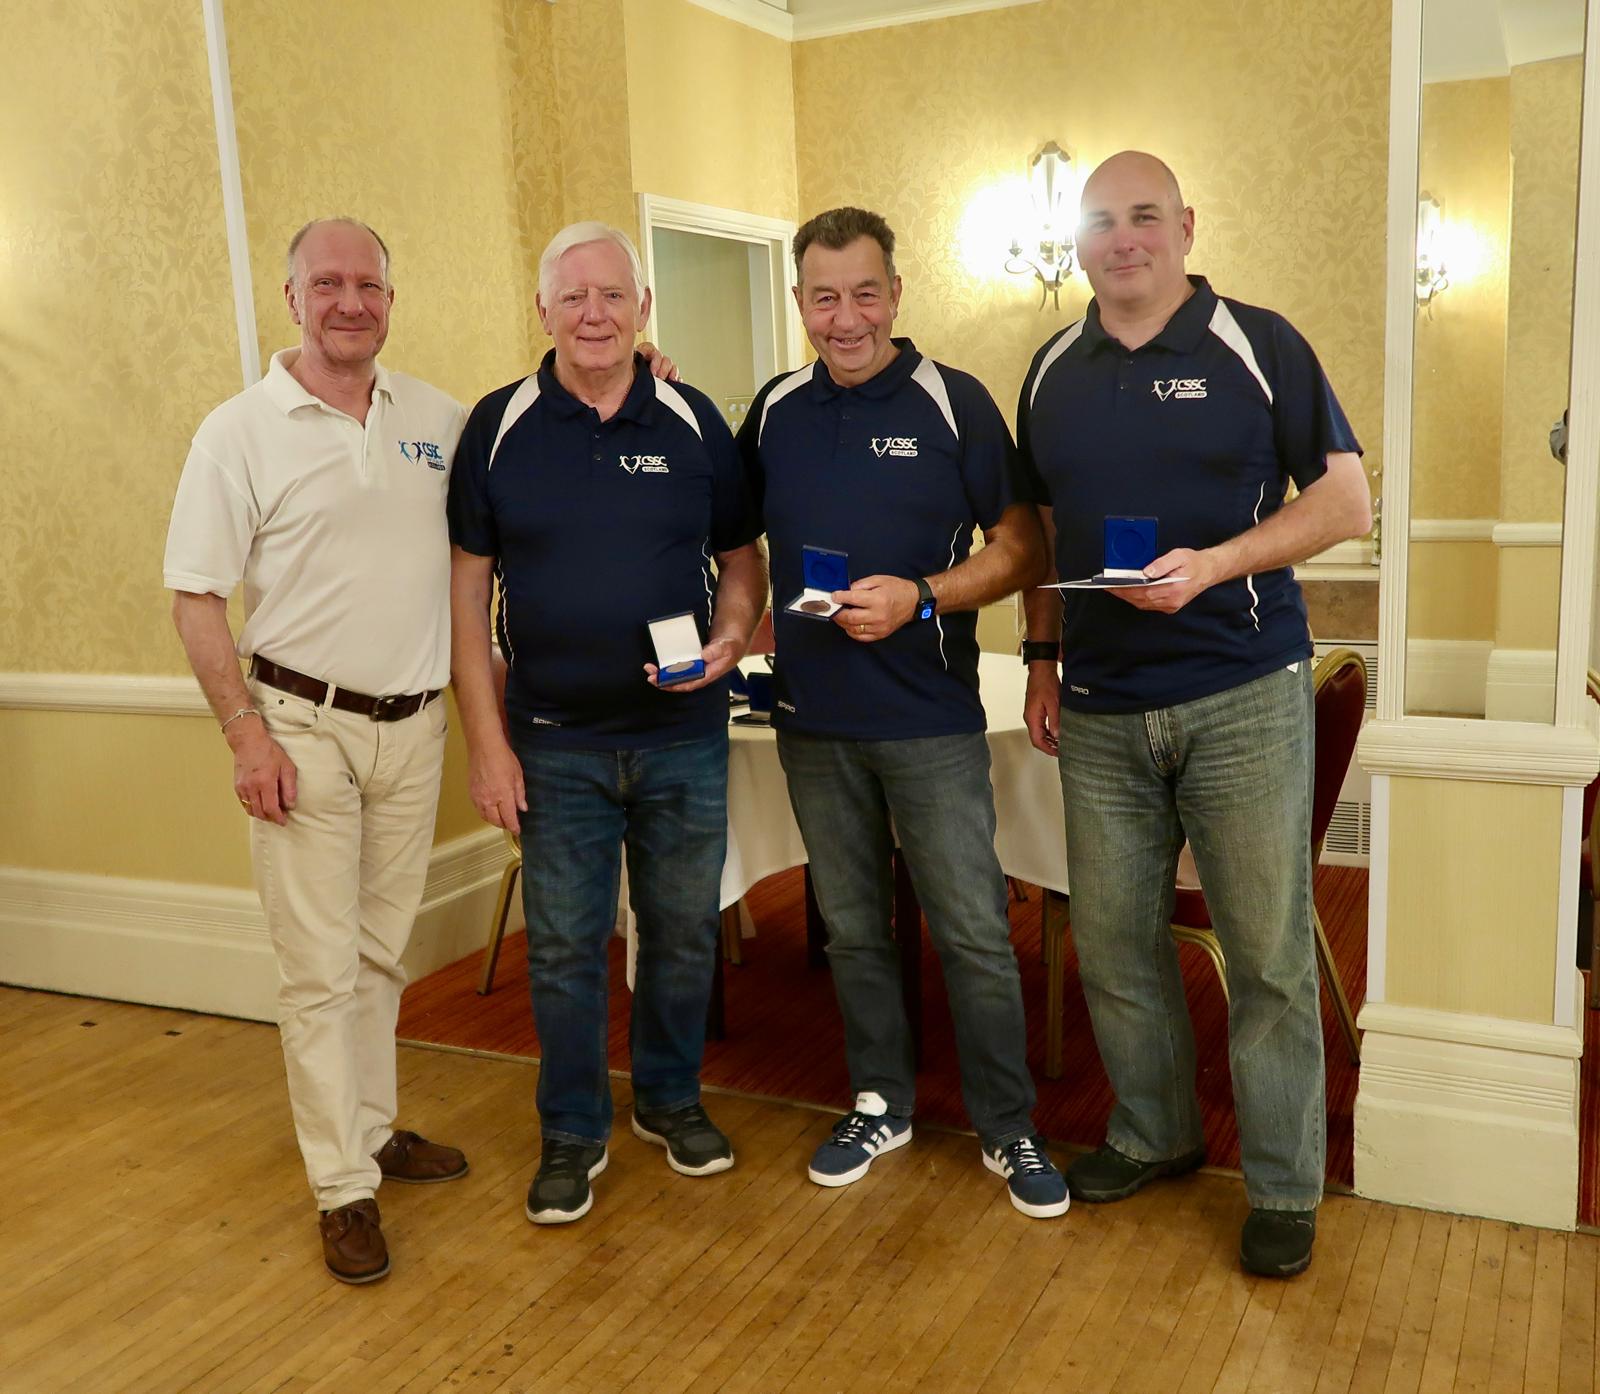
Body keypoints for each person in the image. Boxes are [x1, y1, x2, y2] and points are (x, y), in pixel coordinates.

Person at [1018, 152, 1372, 1277]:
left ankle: (1283, 1183)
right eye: (1101, 220)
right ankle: (1154, 1131)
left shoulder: (1259, 345)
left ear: (1185, 227)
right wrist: (1040, 658)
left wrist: (1216, 563)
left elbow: (1346, 502)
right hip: (1100, 709)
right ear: (1077, 241)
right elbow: (1040, 532)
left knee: (1265, 954)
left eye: (1144, 216)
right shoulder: (1049, 369)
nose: (1123, 238)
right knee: (1116, 942)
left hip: (1240, 694)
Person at [738, 206, 1068, 1219]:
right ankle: (879, 1101)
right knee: (851, 929)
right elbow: (730, 534)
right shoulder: (773, 409)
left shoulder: (952, 402)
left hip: (929, 719)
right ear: (800, 303)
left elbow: (1022, 548)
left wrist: (922, 595)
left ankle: (1007, 1122)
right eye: (824, 297)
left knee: (971, 929)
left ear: (896, 293)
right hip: (810, 719)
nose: (846, 318)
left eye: (865, 293)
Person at [165, 218, 470, 1285]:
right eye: (327, 283)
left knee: (382, 954)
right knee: (318, 971)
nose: (350, 301)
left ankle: (374, 1130)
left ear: (391, 298)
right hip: (299, 729)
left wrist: (638, 367)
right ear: (292, 298)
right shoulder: (238, 431)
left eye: (368, 284)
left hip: (416, 726)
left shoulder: (437, 418)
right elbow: (195, 596)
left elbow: (533, 456)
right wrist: (243, 732)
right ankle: (343, 1188)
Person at [448, 221, 766, 1226]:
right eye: (574, 296)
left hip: (683, 736)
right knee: (563, 948)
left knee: (680, 933)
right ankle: (572, 1130)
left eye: (613, 295)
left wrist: (729, 636)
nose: (594, 314)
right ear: (542, 309)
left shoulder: (692, 419)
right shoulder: (497, 425)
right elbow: (465, 598)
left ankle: (669, 1098)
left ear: (643, 309)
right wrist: (487, 744)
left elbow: (743, 559)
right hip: (552, 741)